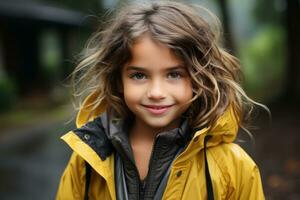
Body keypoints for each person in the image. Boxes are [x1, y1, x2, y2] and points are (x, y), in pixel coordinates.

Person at [56, 1, 266, 199]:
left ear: (198, 78)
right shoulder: (87, 162)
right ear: (119, 80)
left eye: (174, 74)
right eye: (139, 75)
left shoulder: (232, 167)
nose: (156, 92)